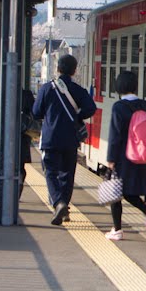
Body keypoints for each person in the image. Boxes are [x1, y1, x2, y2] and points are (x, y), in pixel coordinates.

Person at [32, 54, 96, 225]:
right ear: (74, 71)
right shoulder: (78, 90)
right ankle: (65, 208)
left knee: (51, 172)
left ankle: (58, 203)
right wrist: (77, 116)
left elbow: (36, 112)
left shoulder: (46, 89)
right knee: (67, 174)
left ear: (58, 69)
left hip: (50, 139)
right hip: (70, 140)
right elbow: (91, 108)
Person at [104, 70, 146, 241]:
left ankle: (117, 230)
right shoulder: (144, 105)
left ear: (119, 87)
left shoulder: (118, 107)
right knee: (130, 191)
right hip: (140, 155)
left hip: (123, 156)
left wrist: (111, 158)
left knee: (115, 192)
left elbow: (115, 135)